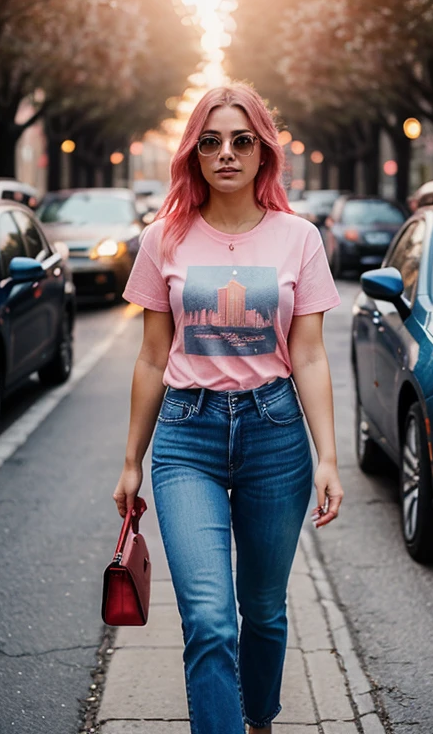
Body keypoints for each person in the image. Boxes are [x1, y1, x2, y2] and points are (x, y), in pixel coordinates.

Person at [113, 83, 343, 734]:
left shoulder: (299, 239)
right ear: (193, 154)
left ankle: (260, 719)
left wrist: (329, 457)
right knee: (210, 619)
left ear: (264, 153)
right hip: (188, 438)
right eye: (210, 141)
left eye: (242, 140)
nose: (226, 154)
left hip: (275, 435)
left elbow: (312, 356)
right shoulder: (165, 239)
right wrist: (130, 461)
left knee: (263, 611)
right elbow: (153, 356)